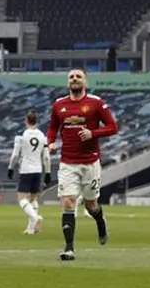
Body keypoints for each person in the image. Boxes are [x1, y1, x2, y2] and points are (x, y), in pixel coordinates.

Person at [47, 69, 117, 262]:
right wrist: (51, 142)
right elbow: (53, 127)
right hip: (67, 163)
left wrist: (92, 134)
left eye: (78, 76)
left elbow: (113, 127)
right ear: (67, 82)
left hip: (90, 163)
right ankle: (69, 249)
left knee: (91, 204)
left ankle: (100, 221)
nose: (74, 79)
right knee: (68, 202)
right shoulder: (59, 105)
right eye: (71, 77)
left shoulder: (96, 103)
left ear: (85, 81)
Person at [7, 110, 51, 235]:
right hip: (38, 171)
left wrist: (11, 168)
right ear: (37, 122)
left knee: (22, 199)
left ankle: (37, 218)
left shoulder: (21, 137)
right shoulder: (43, 137)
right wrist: (48, 173)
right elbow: (46, 157)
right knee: (32, 200)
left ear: (26, 121)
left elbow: (15, 155)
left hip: (26, 170)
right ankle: (31, 229)